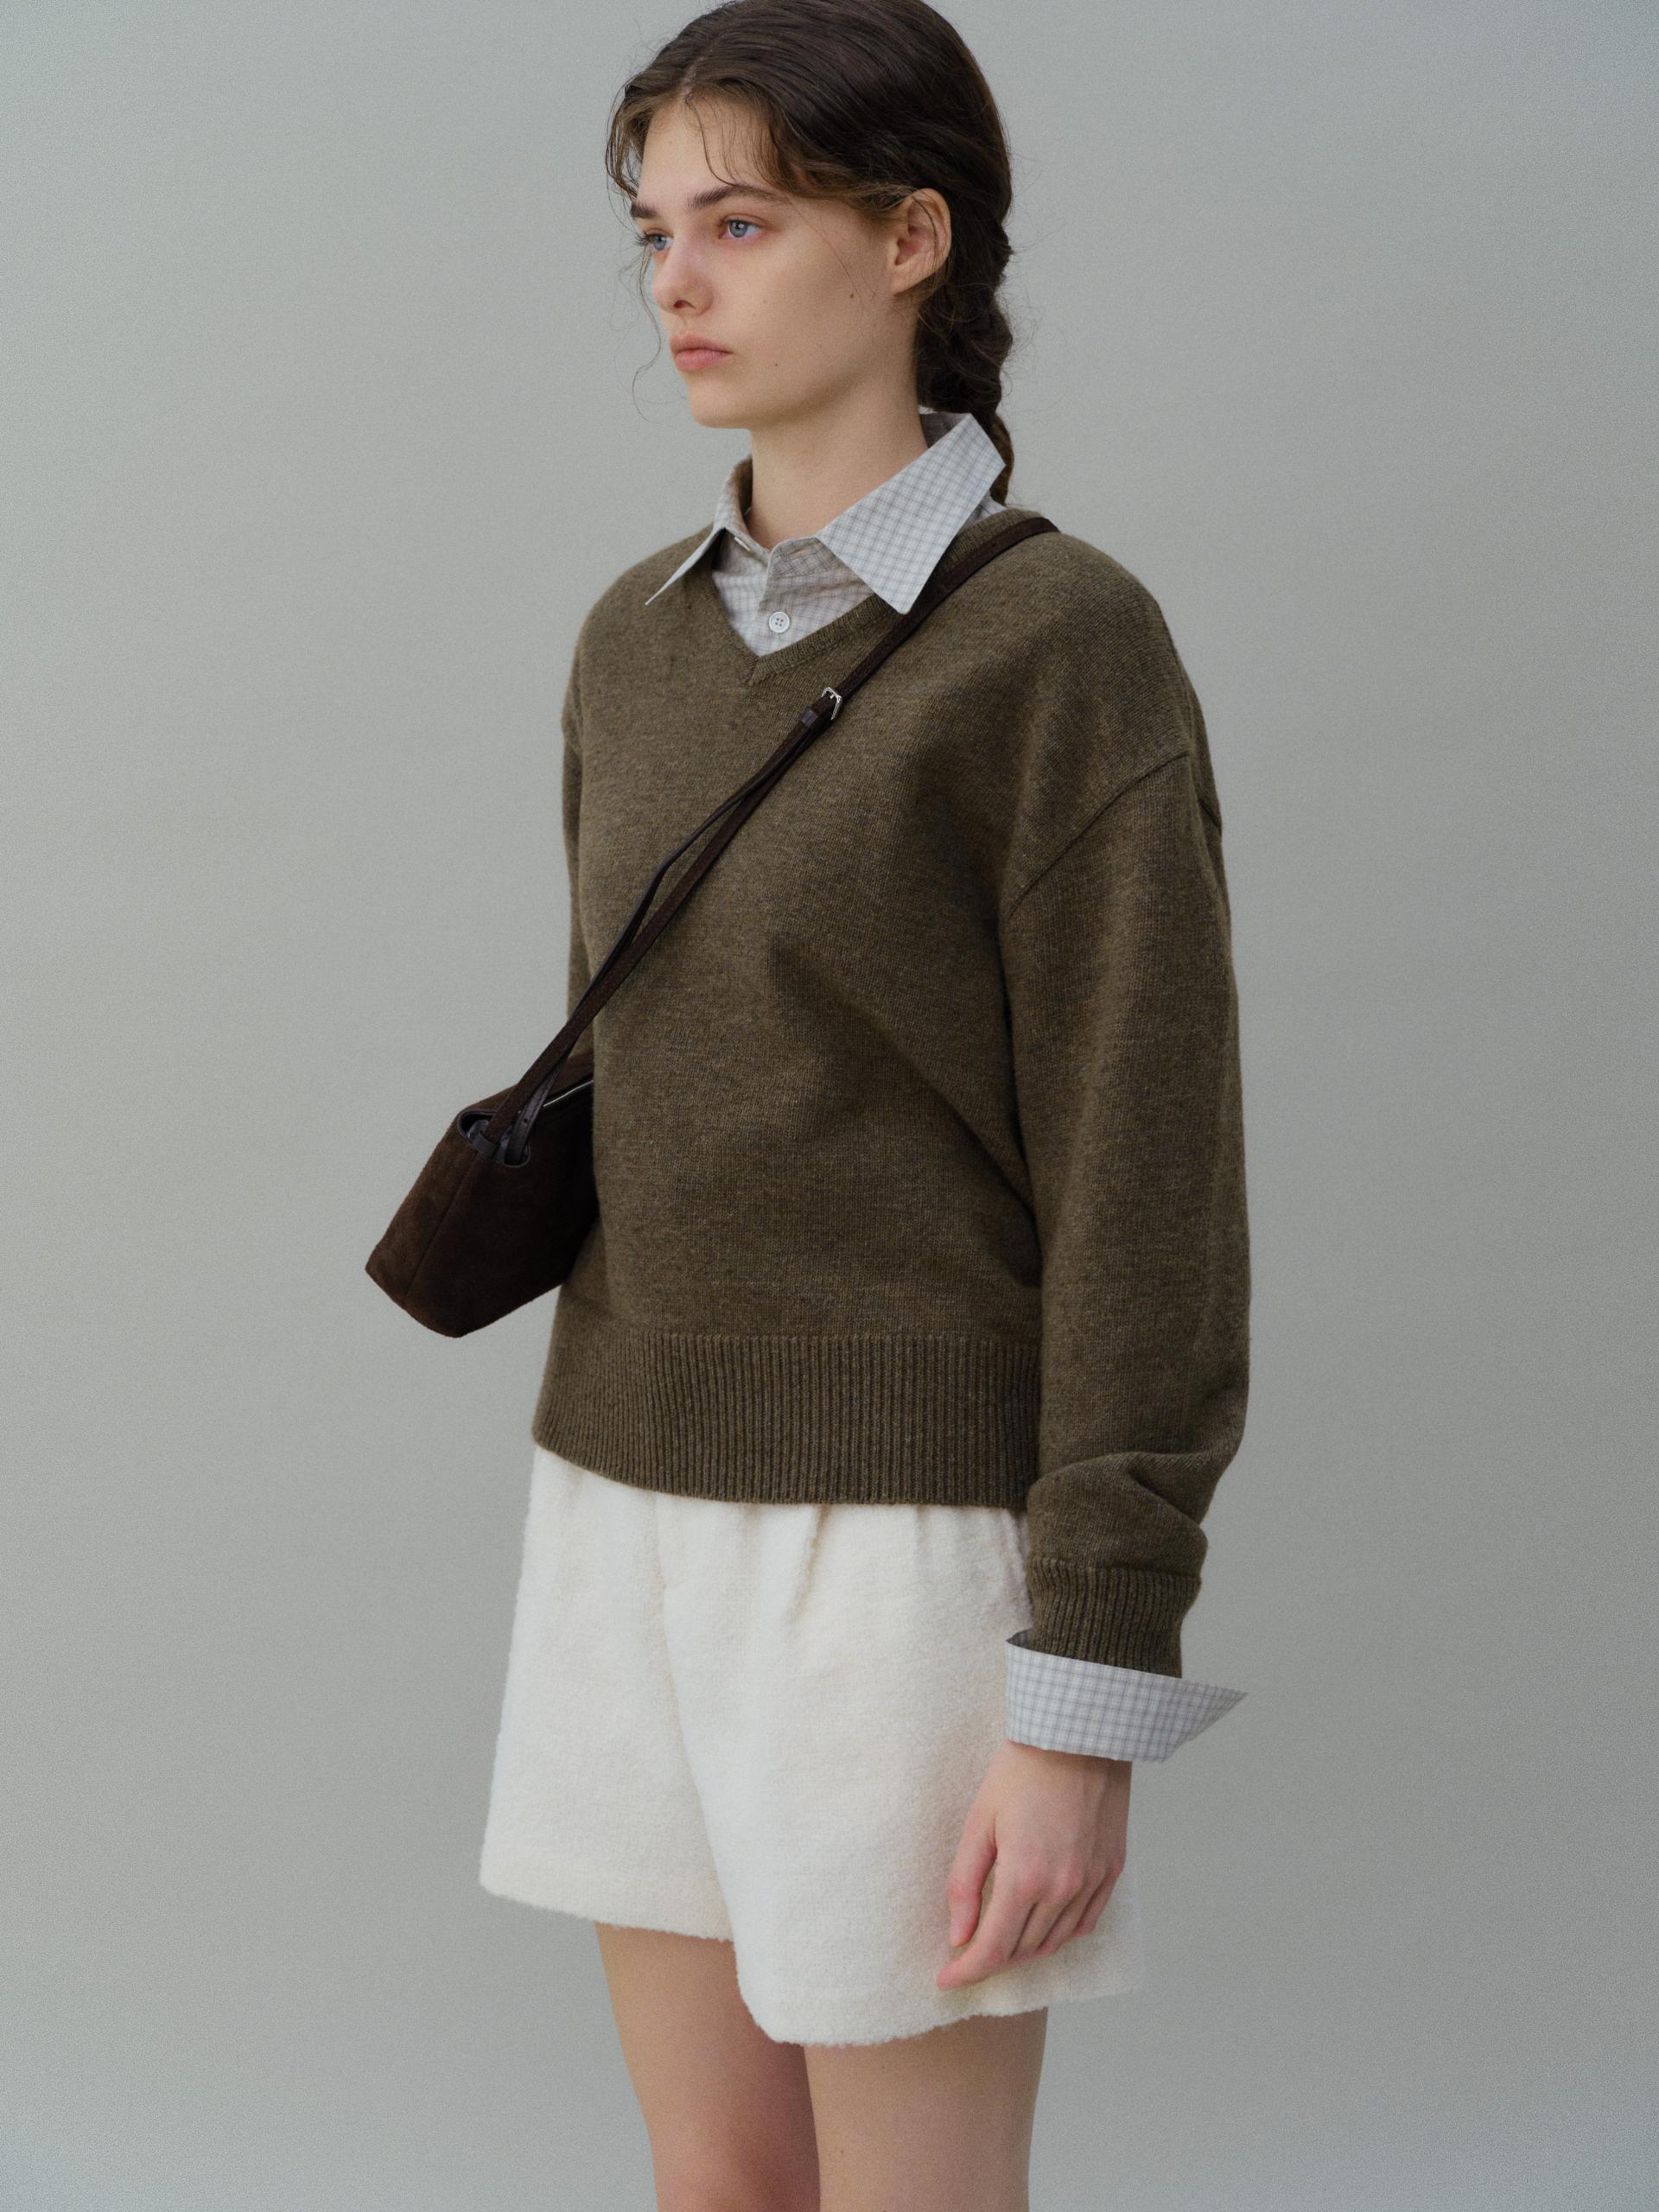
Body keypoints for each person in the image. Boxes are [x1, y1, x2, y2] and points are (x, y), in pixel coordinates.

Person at [478, 3, 1251, 2205]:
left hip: (906, 1556)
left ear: (913, 240)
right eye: (654, 233)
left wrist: (1084, 1685)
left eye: (740, 222)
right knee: (716, 2186)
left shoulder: (1062, 644)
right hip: (620, 1500)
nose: (678, 283)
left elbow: (1151, 1183)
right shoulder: (633, 640)